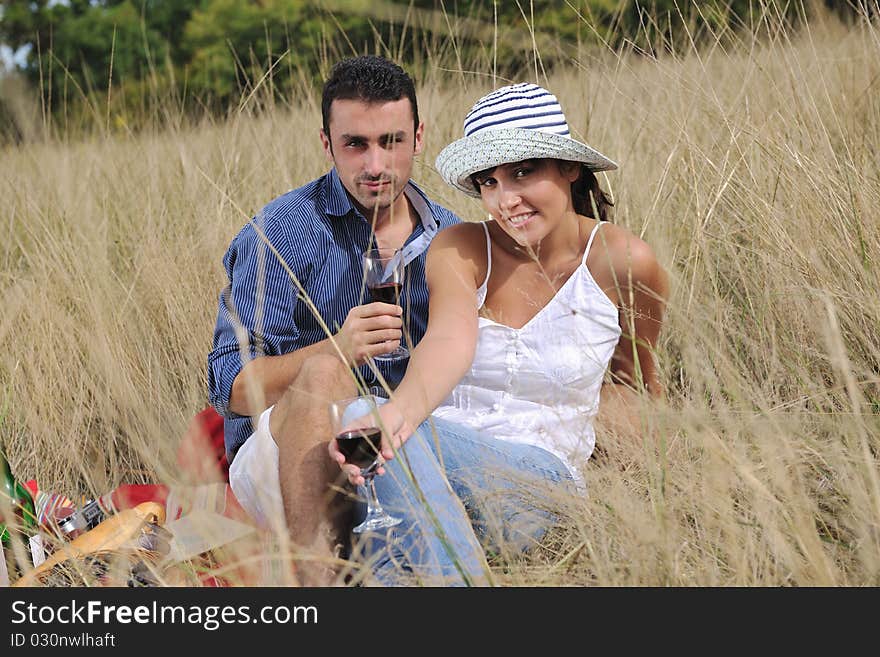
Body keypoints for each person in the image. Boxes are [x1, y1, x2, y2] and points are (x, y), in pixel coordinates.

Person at [331, 82, 669, 583]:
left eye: (522, 172)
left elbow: (634, 382)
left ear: (569, 168)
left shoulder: (624, 262)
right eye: (489, 182)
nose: (505, 200)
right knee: (383, 550)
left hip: (536, 485)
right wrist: (396, 413)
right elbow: (449, 340)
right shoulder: (460, 247)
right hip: (434, 463)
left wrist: (634, 495)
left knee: (369, 426)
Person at [207, 55, 472, 584]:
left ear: (418, 137)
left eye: (392, 141)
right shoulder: (281, 231)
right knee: (327, 376)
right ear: (327, 144)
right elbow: (230, 390)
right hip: (283, 459)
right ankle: (313, 579)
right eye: (356, 144)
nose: (376, 165)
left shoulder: (453, 237)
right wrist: (334, 349)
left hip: (398, 448)